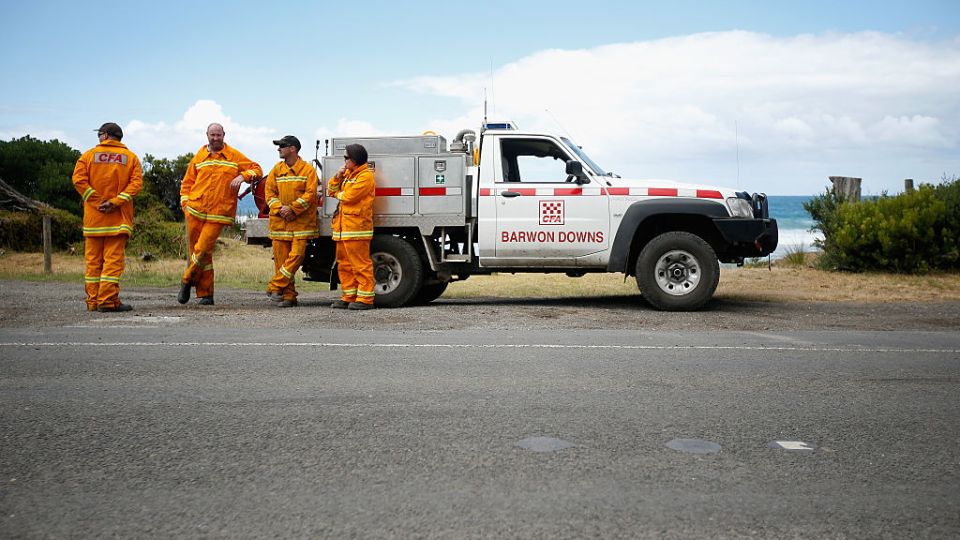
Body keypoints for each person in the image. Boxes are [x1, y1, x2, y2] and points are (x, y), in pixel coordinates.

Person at [178, 123, 262, 305]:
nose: (215, 138)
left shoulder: (234, 155)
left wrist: (242, 177)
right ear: (206, 135)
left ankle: (186, 280)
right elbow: (187, 183)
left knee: (201, 250)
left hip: (219, 213)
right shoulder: (199, 157)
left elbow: (257, 169)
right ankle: (205, 294)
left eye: (218, 135)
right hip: (194, 210)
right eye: (212, 135)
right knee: (202, 253)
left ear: (224, 135)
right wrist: (185, 203)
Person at [71, 122, 143, 312]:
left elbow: (78, 180)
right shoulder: (131, 158)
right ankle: (108, 301)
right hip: (118, 220)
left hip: (93, 221)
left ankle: (93, 302)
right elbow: (135, 186)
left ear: (104, 136)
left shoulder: (87, 156)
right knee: (112, 262)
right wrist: (114, 202)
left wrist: (96, 201)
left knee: (93, 264)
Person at [263, 135, 319, 307]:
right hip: (280, 223)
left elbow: (310, 194)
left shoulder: (308, 170)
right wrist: (281, 209)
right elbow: (269, 193)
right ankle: (289, 296)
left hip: (300, 223)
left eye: (282, 146)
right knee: (281, 261)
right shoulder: (276, 170)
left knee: (296, 256)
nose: (278, 149)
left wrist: (293, 208)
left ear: (292, 149)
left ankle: (275, 285)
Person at [327, 143, 376, 310]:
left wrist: (338, 194)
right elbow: (331, 189)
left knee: (360, 265)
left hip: (357, 229)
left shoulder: (365, 176)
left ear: (354, 159)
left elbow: (349, 197)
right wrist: (338, 175)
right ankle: (348, 296)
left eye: (346, 158)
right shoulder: (348, 174)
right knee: (344, 264)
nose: (344, 161)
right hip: (343, 229)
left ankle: (365, 299)